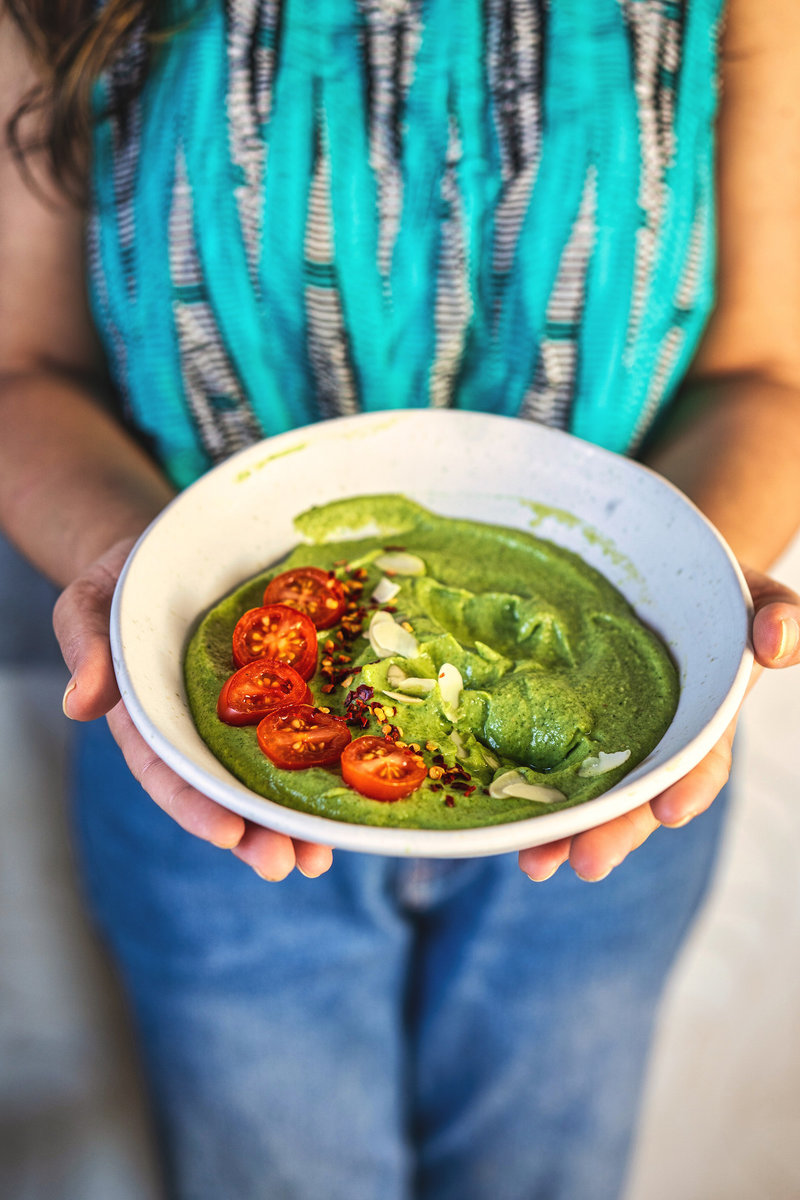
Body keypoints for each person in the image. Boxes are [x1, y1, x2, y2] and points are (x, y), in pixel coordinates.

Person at [1, 1, 799, 1197]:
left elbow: (761, 373)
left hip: (610, 834)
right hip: (188, 767)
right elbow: (22, 370)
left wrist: (689, 572)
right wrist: (134, 567)